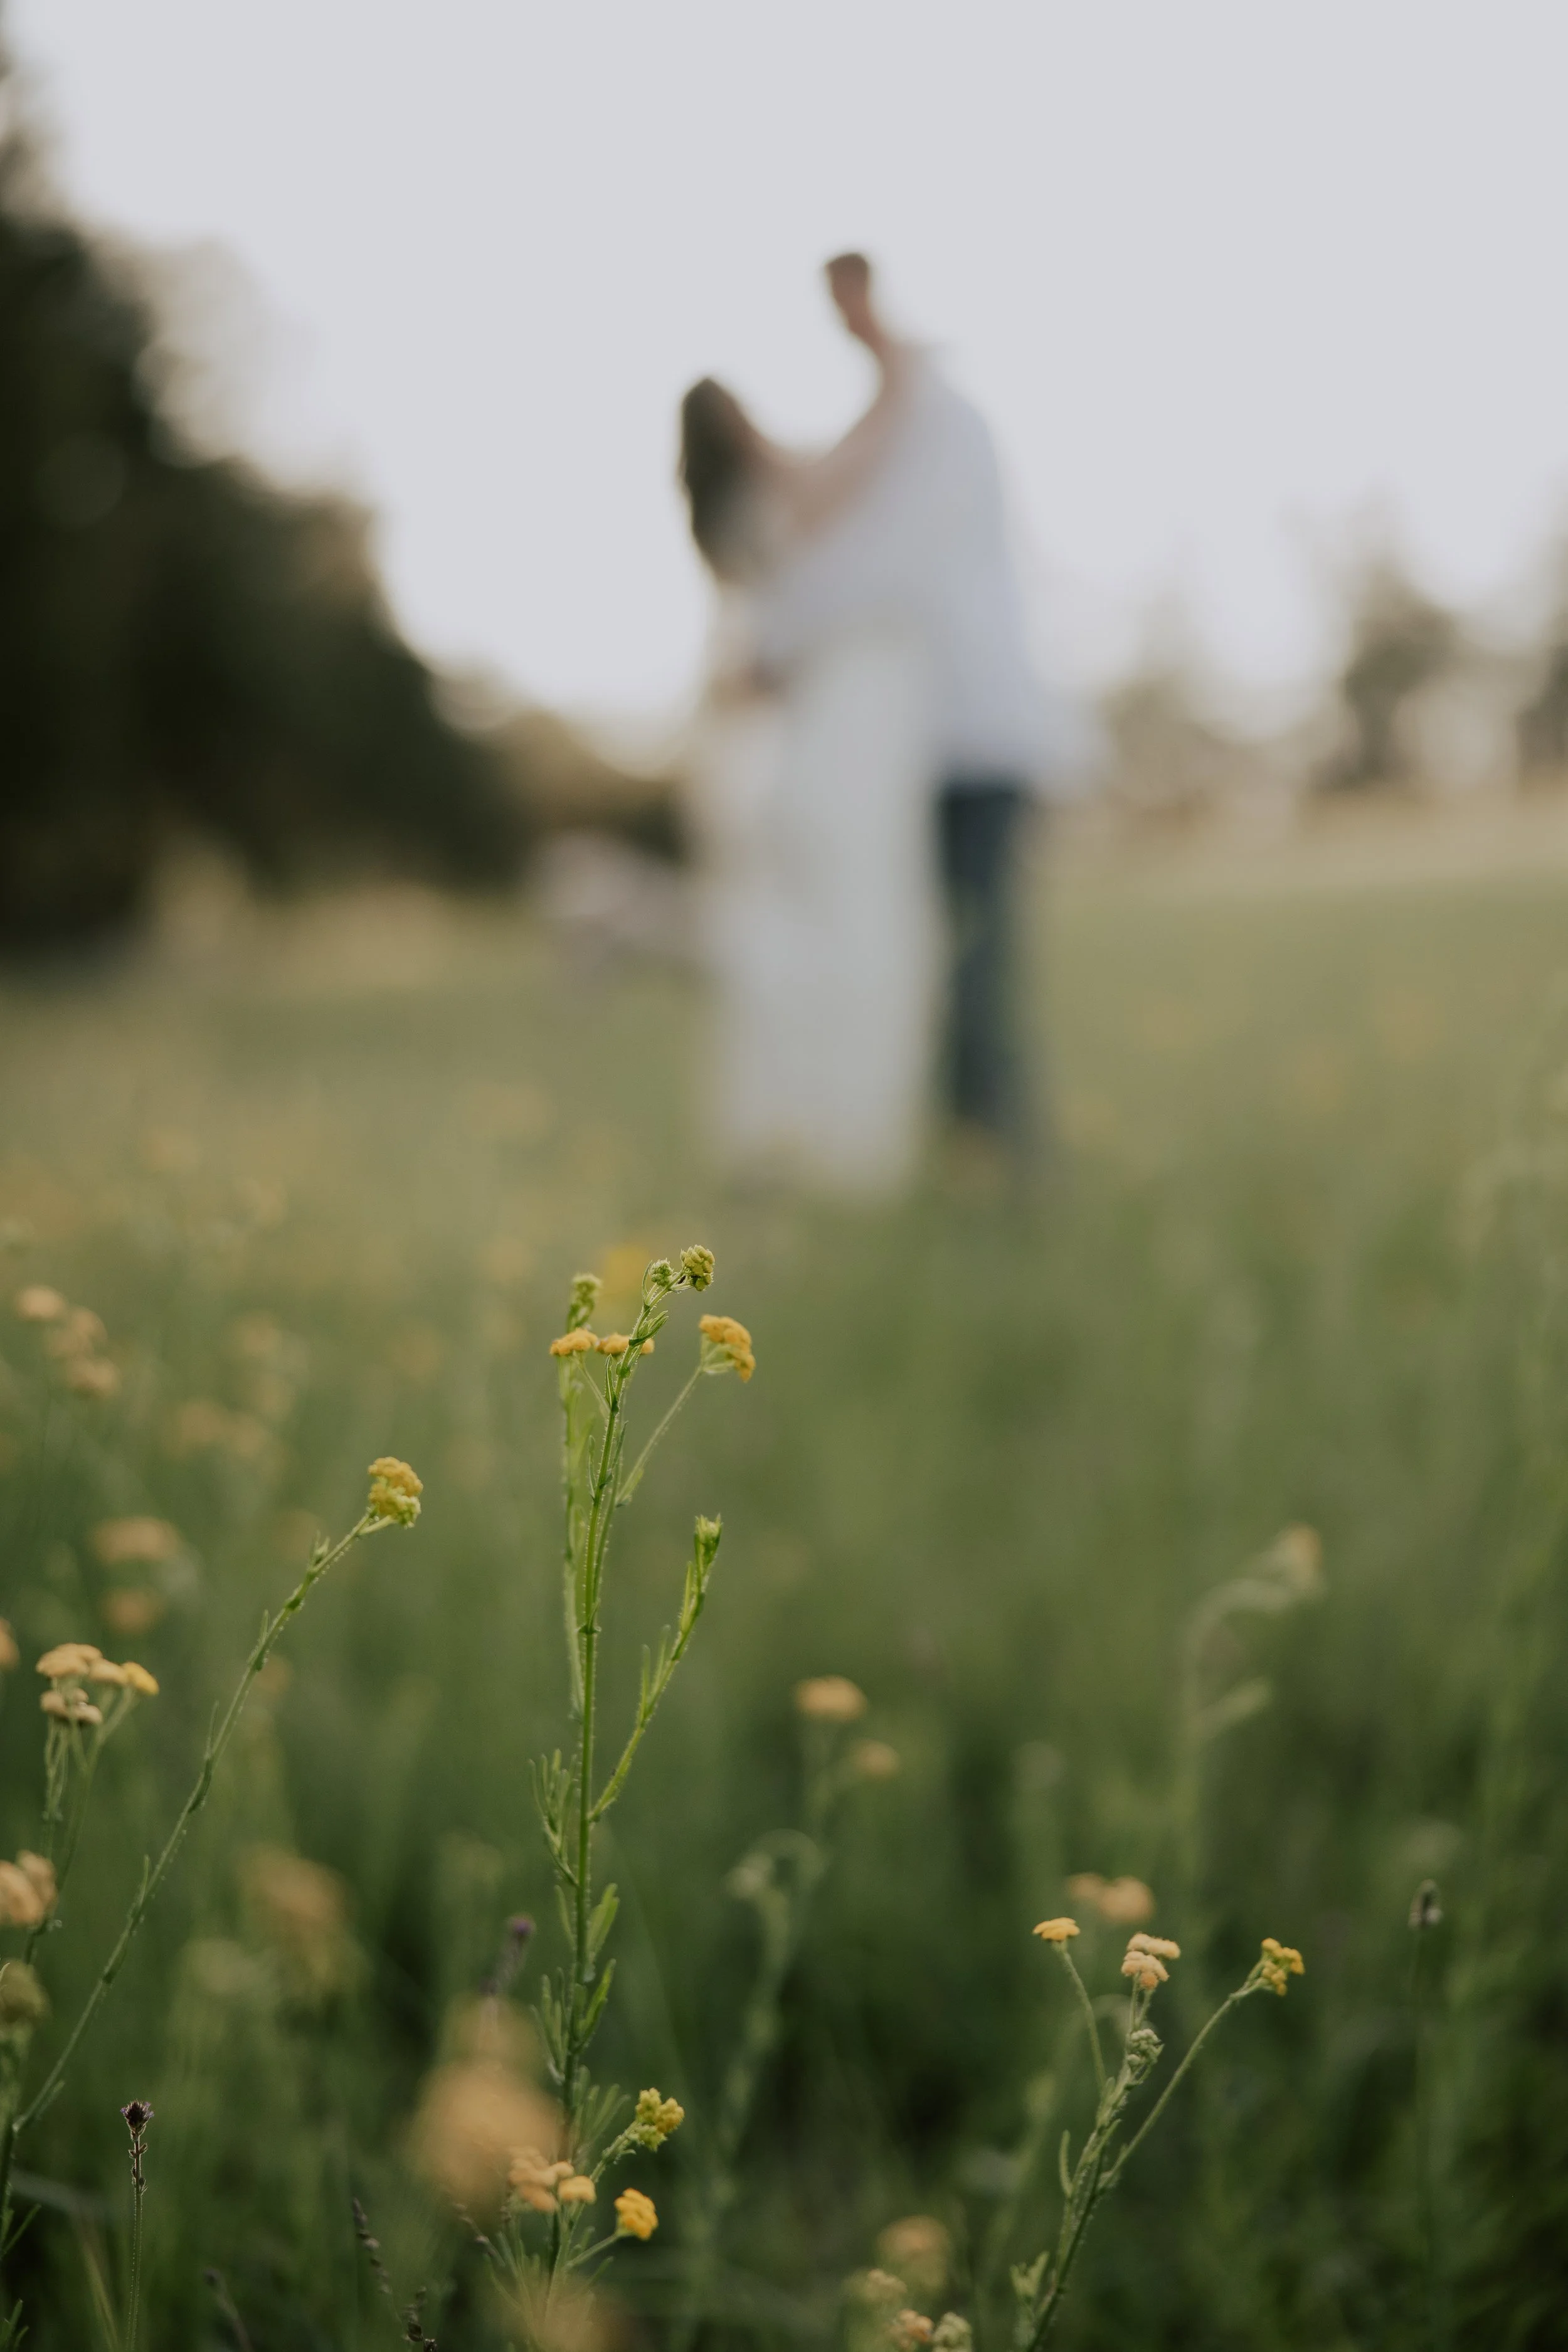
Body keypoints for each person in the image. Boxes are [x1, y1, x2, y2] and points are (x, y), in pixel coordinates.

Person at [753, 254, 1051, 1162]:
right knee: (926, 958)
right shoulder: (892, 424)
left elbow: (890, 566)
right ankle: (962, 1148)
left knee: (974, 963)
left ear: (865, 298)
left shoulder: (944, 425)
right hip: (912, 748)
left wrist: (775, 644)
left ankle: (1002, 1154)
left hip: (976, 737)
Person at [679, 351, 941, 1194]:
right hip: (816, 753)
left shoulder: (719, 524)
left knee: (782, 946)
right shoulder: (783, 496)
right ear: (738, 427)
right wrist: (899, 388)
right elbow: (855, 470)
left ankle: (783, 1127)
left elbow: (748, 666)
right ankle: (846, 1139)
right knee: (848, 933)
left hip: (769, 760)